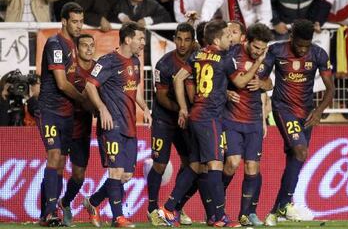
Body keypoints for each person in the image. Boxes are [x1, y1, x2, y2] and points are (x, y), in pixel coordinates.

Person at [163, 20, 267, 227]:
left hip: (196, 115)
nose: (231, 39)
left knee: (194, 165)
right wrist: (258, 62)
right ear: (218, 40)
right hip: (209, 117)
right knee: (215, 165)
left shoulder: (197, 55)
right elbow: (239, 82)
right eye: (228, 36)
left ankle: (168, 207)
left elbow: (178, 79)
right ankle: (219, 217)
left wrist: (184, 107)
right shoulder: (224, 58)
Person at [262, 19, 334, 226]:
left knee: (296, 157)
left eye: (306, 46)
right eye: (299, 45)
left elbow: (330, 89)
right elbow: (263, 78)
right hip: (283, 109)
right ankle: (282, 206)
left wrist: (319, 112)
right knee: (300, 151)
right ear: (291, 38)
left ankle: (278, 209)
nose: (303, 50)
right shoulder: (276, 51)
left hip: (307, 112)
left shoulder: (319, 54)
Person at [83, 22, 152, 228]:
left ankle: (93, 202)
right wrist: (102, 109)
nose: (143, 43)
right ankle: (117, 217)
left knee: (126, 175)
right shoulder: (108, 61)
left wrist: (145, 108)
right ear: (128, 39)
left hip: (130, 125)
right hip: (111, 124)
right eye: (140, 39)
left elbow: (136, 88)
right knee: (115, 171)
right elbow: (89, 85)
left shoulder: (136, 61)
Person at [36, 2, 86, 227]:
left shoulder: (73, 46)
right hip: (50, 110)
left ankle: (47, 212)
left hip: (67, 113)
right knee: (54, 156)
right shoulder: (55, 44)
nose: (78, 25)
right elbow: (62, 84)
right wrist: (84, 99)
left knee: (60, 163)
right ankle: (49, 212)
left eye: (81, 21)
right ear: (64, 21)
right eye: (74, 21)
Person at [221, 23, 274, 226]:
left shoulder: (266, 58)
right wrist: (225, 92)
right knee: (232, 162)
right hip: (231, 118)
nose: (259, 52)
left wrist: (262, 84)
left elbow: (269, 83)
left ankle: (245, 214)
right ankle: (218, 204)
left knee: (252, 167)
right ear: (247, 41)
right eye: (255, 48)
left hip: (253, 120)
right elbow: (221, 80)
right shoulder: (232, 53)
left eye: (262, 49)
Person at [146, 22, 197, 226]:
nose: (182, 44)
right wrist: (182, 110)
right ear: (174, 39)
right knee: (159, 163)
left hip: (186, 121)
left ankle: (177, 207)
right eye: (179, 39)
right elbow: (161, 98)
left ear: (192, 41)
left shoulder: (198, 58)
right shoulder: (164, 64)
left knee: (191, 164)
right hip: (165, 119)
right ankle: (152, 209)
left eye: (187, 39)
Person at [57, 34, 96, 227]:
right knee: (55, 169)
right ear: (76, 49)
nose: (89, 49)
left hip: (82, 130)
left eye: (92, 45)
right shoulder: (69, 68)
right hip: (63, 127)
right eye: (85, 45)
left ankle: (65, 203)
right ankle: (48, 212)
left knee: (79, 176)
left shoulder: (98, 70)